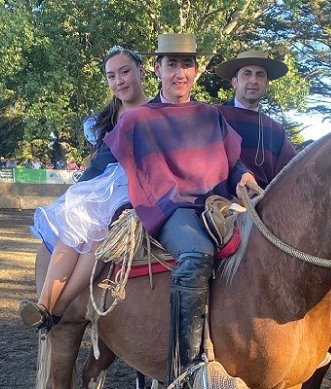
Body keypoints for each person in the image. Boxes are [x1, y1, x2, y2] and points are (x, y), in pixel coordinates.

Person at [104, 33, 256, 384]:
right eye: (172, 64)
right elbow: (107, 163)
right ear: (157, 69)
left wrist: (243, 174)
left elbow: (231, 162)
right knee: (196, 254)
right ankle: (190, 368)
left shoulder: (211, 115)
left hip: (219, 205)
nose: (179, 73)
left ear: (196, 71)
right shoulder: (137, 119)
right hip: (174, 207)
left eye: (186, 64)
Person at [19, 46, 149, 332]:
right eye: (112, 76)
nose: (119, 81)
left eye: (125, 72)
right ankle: (44, 305)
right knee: (73, 228)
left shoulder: (155, 112)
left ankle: (56, 308)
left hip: (133, 186)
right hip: (102, 185)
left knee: (97, 238)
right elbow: (99, 163)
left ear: (141, 71)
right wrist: (78, 192)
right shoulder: (105, 119)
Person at [214, 50, 297, 188]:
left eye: (260, 75)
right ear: (235, 82)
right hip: (219, 203)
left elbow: (293, 170)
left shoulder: (275, 129)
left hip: (265, 204)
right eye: (247, 74)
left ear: (266, 84)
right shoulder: (215, 116)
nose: (253, 80)